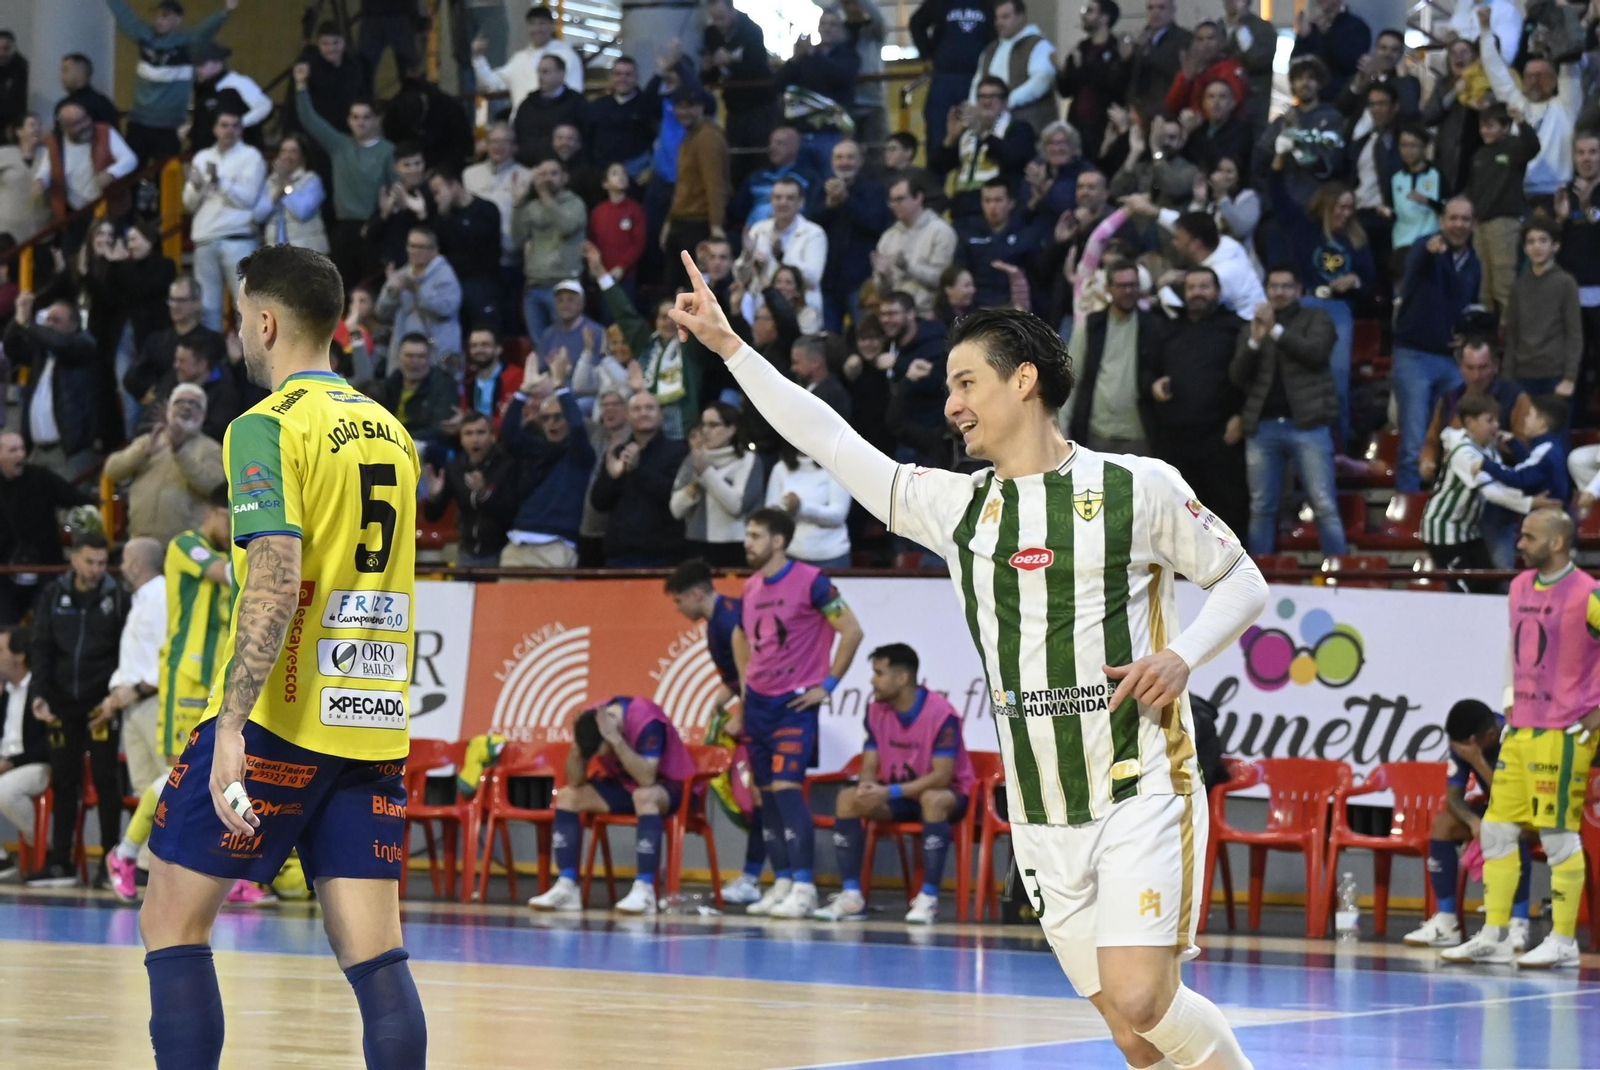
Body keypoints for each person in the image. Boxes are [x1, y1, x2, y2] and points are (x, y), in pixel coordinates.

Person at [669, 253, 1265, 1069]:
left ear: (1023, 381)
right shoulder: (957, 508)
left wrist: (1181, 655)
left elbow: (1242, 580)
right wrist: (733, 350)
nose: (950, 406)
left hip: (1138, 782)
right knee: (1135, 1039)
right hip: (1042, 808)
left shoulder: (1137, 486)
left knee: (1142, 997)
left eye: (966, 384)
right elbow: (832, 440)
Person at [141, 244, 425, 1066]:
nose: (238, 332)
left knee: (171, 918)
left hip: (282, 719)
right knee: (374, 952)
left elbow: (272, 573)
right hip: (370, 722)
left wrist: (232, 724)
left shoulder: (264, 427)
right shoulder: (393, 433)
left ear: (265, 322)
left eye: (239, 317)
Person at [1441, 510, 1600, 970]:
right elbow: (1514, 648)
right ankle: (1495, 933)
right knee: (1495, 830)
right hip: (1523, 728)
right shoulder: (1518, 587)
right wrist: (1510, 697)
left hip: (1564, 733)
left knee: (1557, 836)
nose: (1520, 541)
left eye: (1530, 535)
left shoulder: (1588, 593)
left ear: (1558, 543)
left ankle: (1565, 941)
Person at [732, 507, 863, 919]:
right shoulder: (750, 587)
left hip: (793, 705)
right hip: (758, 704)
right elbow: (739, 633)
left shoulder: (812, 581)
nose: (747, 542)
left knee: (788, 791)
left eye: (755, 535)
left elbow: (852, 631)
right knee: (766, 798)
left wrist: (826, 687)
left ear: (778, 541)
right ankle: (784, 880)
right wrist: (743, 682)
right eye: (747, 534)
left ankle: (805, 886)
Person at [814, 642, 976, 924]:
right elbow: (869, 763)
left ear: (902, 678)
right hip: (898, 796)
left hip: (948, 796)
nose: (872, 680)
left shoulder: (941, 714)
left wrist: (889, 791)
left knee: (933, 799)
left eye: (879, 673)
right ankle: (852, 897)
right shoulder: (875, 710)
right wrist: (866, 787)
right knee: (847, 799)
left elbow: (942, 775)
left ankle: (928, 899)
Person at [24, 534, 130, 888]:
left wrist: (114, 698)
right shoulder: (53, 596)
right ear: (74, 560)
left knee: (106, 782)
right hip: (61, 702)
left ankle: (110, 864)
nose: (97, 569)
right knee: (64, 780)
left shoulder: (117, 597)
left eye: (102, 563)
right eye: (90, 562)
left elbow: (124, 651)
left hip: (101, 703)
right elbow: (40, 647)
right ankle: (60, 862)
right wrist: (39, 694)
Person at [528, 698, 697, 914]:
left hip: (672, 788)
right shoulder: (590, 719)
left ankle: (644, 890)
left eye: (603, 751)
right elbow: (575, 781)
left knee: (644, 795)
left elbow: (647, 778)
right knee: (568, 796)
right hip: (626, 787)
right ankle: (567, 887)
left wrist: (616, 741)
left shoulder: (645, 718)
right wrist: (577, 746)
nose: (602, 757)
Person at [662, 560, 762, 902]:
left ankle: (762, 878)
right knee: (758, 800)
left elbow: (753, 674)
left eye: (678, 601)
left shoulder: (730, 620)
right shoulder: (716, 621)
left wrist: (743, 716)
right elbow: (737, 678)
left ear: (695, 593)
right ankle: (757, 876)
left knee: (762, 799)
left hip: (761, 717)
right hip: (752, 712)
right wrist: (720, 703)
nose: (676, 609)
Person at [1231, 267, 1346, 558]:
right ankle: (1259, 580)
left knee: (1323, 504)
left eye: (1286, 286)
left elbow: (1315, 353)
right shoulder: (1252, 325)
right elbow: (1237, 377)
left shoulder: (1316, 318)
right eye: (1274, 286)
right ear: (1266, 290)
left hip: (1307, 425)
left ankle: (1341, 576)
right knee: (1261, 507)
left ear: (1299, 290)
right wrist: (1255, 341)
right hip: (1263, 427)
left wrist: (1276, 332)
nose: (1279, 292)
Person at [1404, 699, 1532, 951]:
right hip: (1495, 809)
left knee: (1511, 828)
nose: (1459, 749)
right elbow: (1453, 797)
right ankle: (1446, 922)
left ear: (1491, 735)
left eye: (1465, 746)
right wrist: (1473, 821)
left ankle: (1518, 923)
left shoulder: (1517, 738)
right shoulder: (1465, 741)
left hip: (1529, 811)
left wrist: (1478, 761)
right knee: (1443, 824)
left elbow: (1514, 799)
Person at [1142, 267, 1250, 538]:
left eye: (1204, 287)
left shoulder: (1235, 327)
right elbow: (1146, 370)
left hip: (1220, 435)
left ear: (1218, 292)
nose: (1197, 293)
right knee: (1177, 512)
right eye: (1191, 287)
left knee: (1227, 509)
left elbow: (1252, 376)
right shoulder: (1168, 328)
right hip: (1174, 436)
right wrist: (1152, 385)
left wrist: (1242, 416)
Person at [1393, 199, 1481, 492]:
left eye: (1465, 219)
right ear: (1442, 221)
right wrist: (1428, 253)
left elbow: (1467, 307)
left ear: (1472, 224)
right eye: (1453, 218)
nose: (1459, 225)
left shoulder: (1474, 263)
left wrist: (1465, 335)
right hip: (1414, 356)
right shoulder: (1424, 247)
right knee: (1413, 444)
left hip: (1451, 360)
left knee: (1456, 438)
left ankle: (1445, 504)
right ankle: (1407, 513)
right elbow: (1413, 272)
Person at [90, 536, 166, 869]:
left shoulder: (162, 595)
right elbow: (135, 657)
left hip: (155, 701)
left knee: (165, 782)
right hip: (133, 705)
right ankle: (148, 865)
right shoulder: (139, 600)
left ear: (136, 564)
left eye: (124, 561)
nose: (121, 568)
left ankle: (162, 864)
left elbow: (168, 651)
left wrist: (137, 690)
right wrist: (115, 695)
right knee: (143, 786)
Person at [1419, 394, 1541, 591]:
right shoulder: (1464, 453)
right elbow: (1492, 492)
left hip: (1468, 530)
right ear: (1470, 422)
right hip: (1443, 532)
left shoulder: (1490, 451)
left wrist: (1515, 447)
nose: (1496, 426)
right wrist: (1531, 504)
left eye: (1497, 420)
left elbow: (1507, 481)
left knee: (1489, 586)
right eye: (1489, 420)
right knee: (1466, 591)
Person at [292, 63, 396, 289]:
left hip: (374, 228)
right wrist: (301, 85)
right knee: (343, 290)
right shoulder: (339, 145)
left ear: (376, 120)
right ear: (349, 121)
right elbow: (309, 119)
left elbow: (395, 187)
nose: (360, 122)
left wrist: (387, 210)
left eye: (366, 117)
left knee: (373, 289)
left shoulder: (388, 150)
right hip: (343, 229)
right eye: (356, 117)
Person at [107, 0, 239, 163]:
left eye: (165, 16)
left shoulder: (187, 42)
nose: (159, 20)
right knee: (131, 171)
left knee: (166, 175)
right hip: (139, 121)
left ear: (179, 19)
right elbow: (125, 15)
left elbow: (205, 30)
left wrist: (225, 11)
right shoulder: (144, 36)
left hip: (169, 126)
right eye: (157, 16)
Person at [1475, 5, 1579, 207]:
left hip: (1558, 193)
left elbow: (1569, 64)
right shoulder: (1516, 103)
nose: (1534, 81)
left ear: (1554, 81)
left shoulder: (1566, 104)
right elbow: (1494, 69)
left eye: (1542, 76)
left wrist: (1563, 20)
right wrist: (1486, 31)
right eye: (1529, 76)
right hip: (1519, 193)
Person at [500, 361, 596, 569]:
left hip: (556, 544)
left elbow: (578, 427)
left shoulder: (580, 455)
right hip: (517, 542)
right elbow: (508, 433)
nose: (552, 423)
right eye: (546, 418)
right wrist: (523, 392)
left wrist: (561, 387)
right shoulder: (536, 449)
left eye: (558, 417)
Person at [104, 384, 226, 544]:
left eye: (194, 404)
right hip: (141, 541)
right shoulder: (150, 440)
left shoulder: (212, 448)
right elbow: (111, 470)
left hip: (187, 546)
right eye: (180, 402)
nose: (186, 407)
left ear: (203, 414)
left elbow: (213, 486)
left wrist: (180, 451)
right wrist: (142, 453)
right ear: (169, 409)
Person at [0, 431, 97, 625]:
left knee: (47, 628)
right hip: (5, 572)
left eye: (22, 449)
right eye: (13, 450)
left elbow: (77, 500)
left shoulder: (41, 477)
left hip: (46, 567)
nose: (20, 455)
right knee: (5, 632)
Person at [183, 108, 265, 332]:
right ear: (215, 129)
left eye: (235, 125)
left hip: (238, 238)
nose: (229, 130)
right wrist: (199, 186)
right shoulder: (202, 157)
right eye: (224, 125)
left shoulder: (251, 156)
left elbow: (248, 198)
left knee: (247, 306)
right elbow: (189, 203)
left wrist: (221, 182)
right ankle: (211, 360)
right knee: (208, 308)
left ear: (242, 129)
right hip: (205, 238)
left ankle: (246, 363)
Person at [6, 292, 100, 480]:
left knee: (71, 508)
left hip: (68, 452)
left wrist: (28, 324)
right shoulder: (42, 355)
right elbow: (11, 347)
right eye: (47, 320)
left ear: (73, 325)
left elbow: (61, 345)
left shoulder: (83, 344)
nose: (49, 325)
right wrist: (18, 318)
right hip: (37, 452)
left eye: (56, 320)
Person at [589, 392, 689, 566]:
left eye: (650, 408)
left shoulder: (678, 451)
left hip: (663, 555)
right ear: (628, 416)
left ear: (660, 414)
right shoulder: (618, 452)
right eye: (637, 409)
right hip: (619, 554)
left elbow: (674, 497)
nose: (643, 413)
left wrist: (637, 470)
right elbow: (598, 503)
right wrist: (612, 478)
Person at [1417, 339, 1530, 488]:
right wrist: (1427, 461)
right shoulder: (1449, 399)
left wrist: (1504, 444)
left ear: (1495, 366)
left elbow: (1526, 446)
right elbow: (1432, 440)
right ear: (1460, 367)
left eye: (1483, 368)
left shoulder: (1514, 397)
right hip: (1452, 483)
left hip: (1500, 482)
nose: (1476, 376)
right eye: (1470, 368)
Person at [1466, 104, 1540, 314]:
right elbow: (1473, 188)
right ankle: (1486, 334)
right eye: (1482, 126)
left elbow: (1532, 147)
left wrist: (1522, 122)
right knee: (1483, 283)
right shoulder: (1479, 154)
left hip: (1504, 223)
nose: (1484, 131)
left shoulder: (1513, 147)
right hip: (1480, 224)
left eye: (1490, 126)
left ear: (1505, 127)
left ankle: (1510, 332)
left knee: (1504, 281)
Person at [932, 75, 1035, 225]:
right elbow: (938, 168)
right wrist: (950, 138)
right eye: (982, 96)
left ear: (1005, 102)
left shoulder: (1019, 128)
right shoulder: (968, 133)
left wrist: (983, 133)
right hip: (963, 210)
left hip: (997, 211)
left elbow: (1013, 158)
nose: (987, 102)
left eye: (993, 96)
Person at [700, 0, 782, 186]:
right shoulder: (711, 34)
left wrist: (728, 62)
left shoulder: (751, 31)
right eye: (714, 19)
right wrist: (708, 68)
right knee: (735, 162)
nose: (718, 24)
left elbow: (755, 68)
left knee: (761, 159)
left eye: (721, 18)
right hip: (735, 109)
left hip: (761, 108)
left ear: (732, 11)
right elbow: (710, 75)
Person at [423, 411, 518, 569]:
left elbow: (511, 514)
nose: (475, 439)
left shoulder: (507, 466)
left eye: (481, 432)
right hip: (466, 553)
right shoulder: (454, 468)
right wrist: (434, 497)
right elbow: (432, 517)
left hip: (501, 552)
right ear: (461, 438)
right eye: (468, 433)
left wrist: (485, 495)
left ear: (492, 436)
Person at [909, 0, 995, 176]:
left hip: (979, 78)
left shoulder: (990, 2)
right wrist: (927, 55)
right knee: (938, 137)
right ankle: (934, 192)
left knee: (980, 136)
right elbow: (916, 23)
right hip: (944, 77)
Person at [1502, 218, 1583, 400]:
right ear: (1524, 248)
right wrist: (1507, 377)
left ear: (1555, 246)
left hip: (1555, 375)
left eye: (1543, 240)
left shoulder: (1565, 282)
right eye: (1531, 241)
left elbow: (1574, 334)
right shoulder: (1519, 286)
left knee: (1553, 428)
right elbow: (1512, 335)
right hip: (1522, 376)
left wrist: (1570, 378)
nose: (1537, 246)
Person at [671, 402, 760, 567]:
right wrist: (695, 484)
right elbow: (676, 510)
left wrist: (706, 473)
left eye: (713, 425)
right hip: (698, 544)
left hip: (737, 546)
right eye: (703, 425)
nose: (705, 431)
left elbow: (737, 506)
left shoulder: (748, 460)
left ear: (731, 430)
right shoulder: (692, 459)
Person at [662, 88, 730, 288]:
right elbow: (683, 184)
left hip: (697, 226)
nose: (684, 111)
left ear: (702, 108)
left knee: (692, 289)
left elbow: (715, 185)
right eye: (679, 106)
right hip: (681, 222)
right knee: (675, 289)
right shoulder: (689, 136)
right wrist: (670, 219)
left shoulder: (708, 138)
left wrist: (716, 227)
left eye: (690, 106)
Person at [736, 177, 827, 325]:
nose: (783, 202)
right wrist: (747, 255)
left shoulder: (814, 233)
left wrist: (780, 256)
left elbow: (812, 278)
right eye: (778, 197)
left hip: (801, 312)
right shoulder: (759, 230)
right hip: (764, 311)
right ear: (771, 201)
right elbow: (742, 278)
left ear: (800, 202)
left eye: (790, 198)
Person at [516, 158, 588, 341]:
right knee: (540, 346)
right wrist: (518, 203)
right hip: (534, 284)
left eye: (554, 173)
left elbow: (566, 226)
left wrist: (545, 197)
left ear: (565, 177)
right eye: (542, 174)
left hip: (564, 284)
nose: (547, 178)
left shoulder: (575, 203)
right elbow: (517, 238)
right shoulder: (531, 207)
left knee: (565, 341)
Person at [35, 100, 139, 220]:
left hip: (107, 209)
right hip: (73, 212)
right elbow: (46, 169)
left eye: (85, 119)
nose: (84, 125)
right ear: (64, 128)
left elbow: (130, 159)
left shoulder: (105, 131)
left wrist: (111, 173)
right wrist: (40, 181)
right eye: (76, 124)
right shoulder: (55, 143)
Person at [968, 0, 1056, 139]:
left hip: (1028, 124)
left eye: (1005, 17)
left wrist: (1007, 101)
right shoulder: (990, 50)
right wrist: (975, 105)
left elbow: (1042, 80)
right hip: (992, 127)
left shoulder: (1038, 45)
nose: (999, 23)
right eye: (997, 18)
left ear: (1021, 17)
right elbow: (978, 82)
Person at [0, 625, 47, 881]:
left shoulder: (41, 688)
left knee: (4, 789)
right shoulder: (4, 695)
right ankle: (2, 859)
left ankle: (44, 846)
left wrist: (11, 762)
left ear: (19, 656)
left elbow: (46, 744)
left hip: (35, 764)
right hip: (7, 763)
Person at [473, 4, 585, 110]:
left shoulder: (568, 56)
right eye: (532, 24)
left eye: (542, 23)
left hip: (557, 124)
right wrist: (478, 57)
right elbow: (492, 84)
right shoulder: (519, 59)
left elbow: (574, 96)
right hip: (522, 124)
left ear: (552, 26)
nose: (537, 29)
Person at [872, 178, 958, 317]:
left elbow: (942, 281)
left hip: (927, 313)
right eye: (891, 201)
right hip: (895, 315)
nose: (894, 205)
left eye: (900, 199)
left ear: (918, 198)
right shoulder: (888, 237)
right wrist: (883, 277)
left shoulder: (940, 231)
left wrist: (907, 267)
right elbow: (882, 292)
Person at [1056, 0, 1126, 162]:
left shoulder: (1116, 49)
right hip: (1077, 124)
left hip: (1104, 125)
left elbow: (1113, 86)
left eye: (1089, 11)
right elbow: (1066, 91)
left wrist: (1083, 68)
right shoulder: (1081, 48)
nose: (1084, 15)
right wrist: (1061, 73)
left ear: (1104, 18)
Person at [956, 179, 1043, 310]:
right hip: (975, 307)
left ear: (1011, 203)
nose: (992, 206)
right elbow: (959, 270)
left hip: (1013, 308)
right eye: (987, 201)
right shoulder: (968, 233)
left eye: (998, 200)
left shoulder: (1026, 234)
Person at [371, 333, 460, 454]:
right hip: (390, 441)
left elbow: (439, 428)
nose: (415, 362)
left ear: (429, 359)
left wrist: (397, 438)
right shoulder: (391, 383)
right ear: (399, 357)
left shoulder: (444, 384)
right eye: (409, 356)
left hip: (423, 446)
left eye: (421, 356)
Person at [189, 44, 272, 152]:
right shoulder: (203, 88)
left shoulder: (239, 83)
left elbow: (264, 106)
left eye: (202, 64)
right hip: (209, 152)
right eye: (196, 64)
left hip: (238, 151)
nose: (198, 69)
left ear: (218, 63)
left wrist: (237, 125)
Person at [253, 135, 329, 253]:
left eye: (293, 151)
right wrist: (277, 193)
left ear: (303, 156)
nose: (287, 156)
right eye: (284, 151)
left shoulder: (311, 180)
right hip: (275, 253)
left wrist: (286, 186)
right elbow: (258, 216)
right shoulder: (271, 182)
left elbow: (302, 211)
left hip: (306, 254)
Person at [510, 56, 589, 167]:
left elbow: (586, 138)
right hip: (528, 167)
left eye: (545, 72)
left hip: (566, 169)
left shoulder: (578, 103)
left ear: (561, 74)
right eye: (539, 72)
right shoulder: (527, 105)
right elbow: (517, 136)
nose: (540, 77)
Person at [1290, 0, 1370, 101]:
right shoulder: (1310, 26)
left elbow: (1348, 64)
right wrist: (1303, 38)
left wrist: (1320, 35)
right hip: (1309, 101)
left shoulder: (1356, 27)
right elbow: (1296, 65)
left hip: (1341, 101)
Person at [589, 56, 656, 178]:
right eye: (618, 74)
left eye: (628, 74)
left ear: (637, 78)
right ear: (611, 77)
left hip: (637, 175)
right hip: (602, 173)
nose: (622, 79)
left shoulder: (648, 105)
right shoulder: (598, 105)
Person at [1127, 0, 1193, 121]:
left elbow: (1178, 73)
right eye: (1150, 8)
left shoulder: (1184, 39)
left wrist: (1148, 53)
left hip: (1168, 111)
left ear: (1172, 11)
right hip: (1139, 111)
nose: (1155, 13)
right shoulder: (1140, 39)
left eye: (1161, 8)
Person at [60, 52, 120, 128]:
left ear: (80, 72)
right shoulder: (103, 103)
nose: (62, 76)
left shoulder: (101, 105)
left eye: (66, 70)